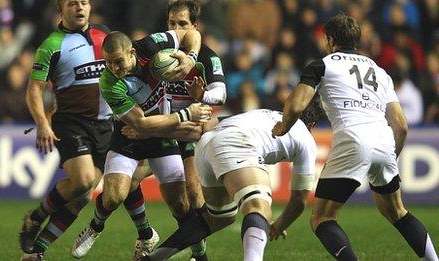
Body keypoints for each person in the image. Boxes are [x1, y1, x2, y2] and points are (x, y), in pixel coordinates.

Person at [272, 14, 438, 260]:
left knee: (322, 217)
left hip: (353, 138)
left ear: (329, 40)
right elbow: (401, 125)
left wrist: (282, 128)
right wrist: (390, 158)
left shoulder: (322, 64)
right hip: (383, 139)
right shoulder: (380, 72)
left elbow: (296, 105)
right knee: (398, 212)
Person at [71, 30, 212, 260]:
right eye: (108, 63)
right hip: (128, 136)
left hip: (162, 134)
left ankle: (200, 255)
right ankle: (96, 226)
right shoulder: (108, 81)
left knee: (180, 205)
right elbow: (140, 125)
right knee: (114, 196)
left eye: (118, 62)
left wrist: (191, 58)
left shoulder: (151, 45)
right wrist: (186, 115)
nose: (114, 68)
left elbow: (191, 33)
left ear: (132, 53)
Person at [126, 108, 317, 261]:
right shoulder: (305, 137)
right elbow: (299, 200)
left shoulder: (263, 113)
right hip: (238, 144)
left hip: (207, 144)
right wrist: (280, 224)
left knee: (219, 218)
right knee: (257, 207)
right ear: (313, 124)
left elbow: (208, 125)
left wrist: (149, 129)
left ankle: (155, 258)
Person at [128, 1, 227, 259]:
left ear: (195, 26)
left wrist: (203, 94)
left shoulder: (206, 56)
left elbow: (221, 93)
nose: (176, 29)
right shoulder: (158, 56)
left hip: (186, 132)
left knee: (194, 196)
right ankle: (146, 235)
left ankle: (199, 255)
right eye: (172, 24)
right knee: (128, 183)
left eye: (182, 24)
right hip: (159, 130)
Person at [20, 1, 113, 260]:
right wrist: (42, 123)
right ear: (61, 9)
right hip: (72, 123)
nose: (80, 8)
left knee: (82, 197)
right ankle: (36, 216)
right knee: (83, 180)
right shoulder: (51, 45)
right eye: (72, 3)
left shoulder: (105, 35)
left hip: (106, 125)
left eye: (84, 2)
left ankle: (36, 252)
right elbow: (34, 90)